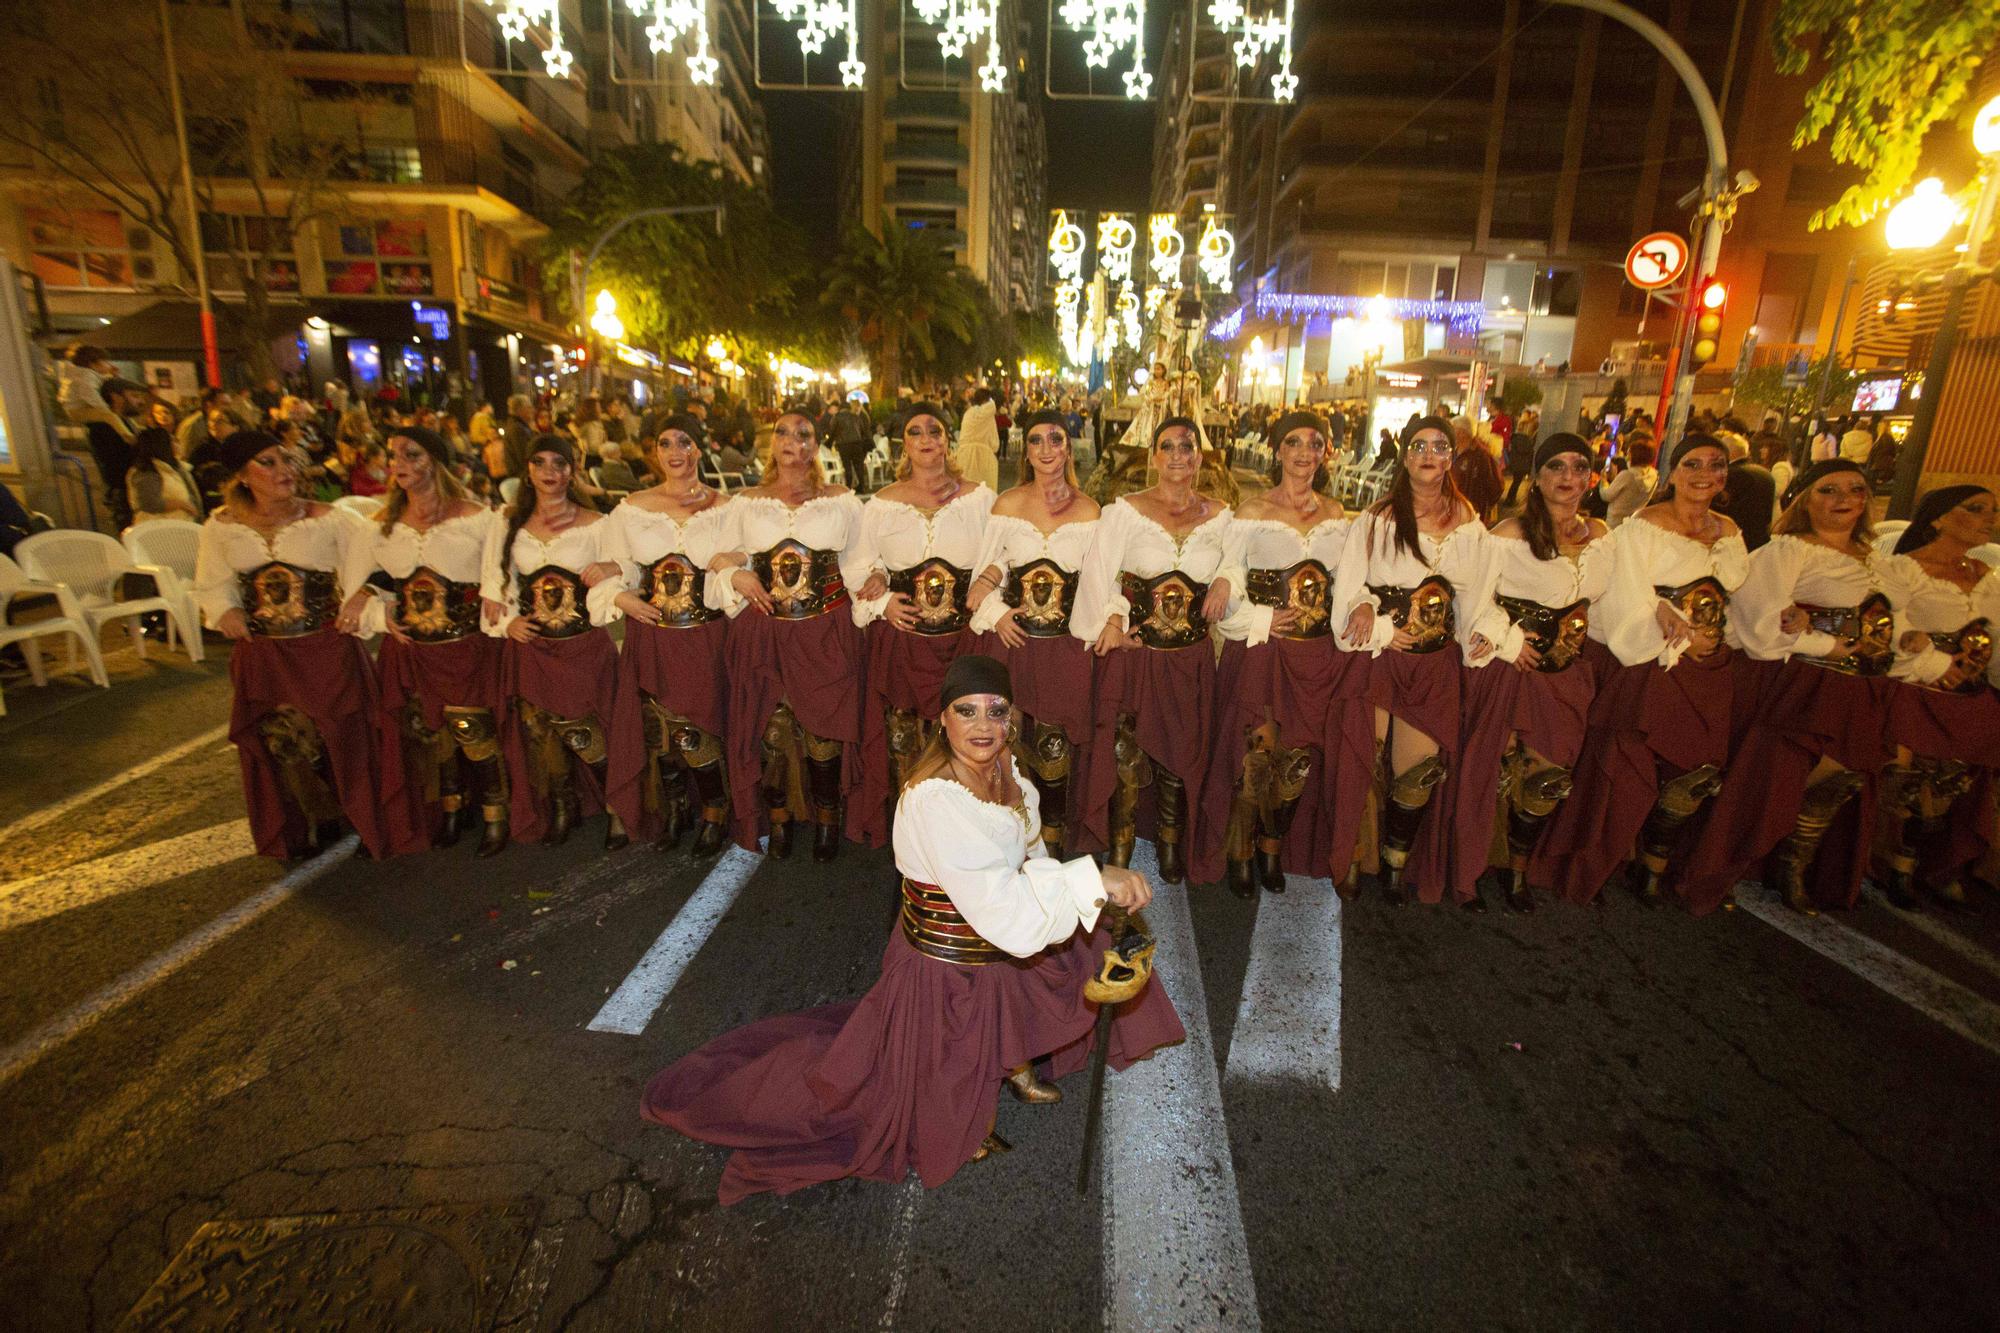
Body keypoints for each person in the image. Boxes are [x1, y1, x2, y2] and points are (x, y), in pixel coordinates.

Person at [640, 654, 1184, 1203]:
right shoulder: (936, 800)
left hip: (994, 943)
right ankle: (960, 1107)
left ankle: (1012, 1065)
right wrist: (1092, 876)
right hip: (946, 964)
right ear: (941, 720)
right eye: (965, 711)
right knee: (952, 1043)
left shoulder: (1007, 773)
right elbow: (1007, 916)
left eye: (995, 712)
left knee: (1071, 948)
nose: (982, 726)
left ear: (1012, 717)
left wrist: (1081, 884)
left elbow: (1029, 857)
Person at [1674, 459, 1912, 915]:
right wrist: (1826, 643)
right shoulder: (1788, 550)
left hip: (1859, 686)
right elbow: (1760, 622)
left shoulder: (1879, 560)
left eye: (1854, 489)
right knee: (1769, 782)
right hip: (1792, 680)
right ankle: (1725, 864)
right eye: (1828, 490)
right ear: (1804, 499)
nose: (1843, 499)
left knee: (1835, 779)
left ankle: (1794, 865)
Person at [1530, 435, 1748, 906]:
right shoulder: (1641, 528)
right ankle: (1593, 865)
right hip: (1650, 663)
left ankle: (1655, 865)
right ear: (1670, 473)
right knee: (1625, 775)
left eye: (1716, 465)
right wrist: (1668, 623)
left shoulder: (1730, 530)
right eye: (1692, 463)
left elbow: (1739, 598)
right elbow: (1626, 594)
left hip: (1710, 667)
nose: (1704, 473)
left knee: (1695, 773)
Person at [1198, 410, 1373, 897]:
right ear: (1278, 451)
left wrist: (1362, 607)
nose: (1303, 452)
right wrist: (1236, 595)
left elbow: (1351, 582)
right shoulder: (1252, 511)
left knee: (1295, 762)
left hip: (1318, 656)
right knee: (1257, 756)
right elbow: (1231, 567)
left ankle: (1273, 848)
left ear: (1324, 452)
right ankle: (1240, 851)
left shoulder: (1338, 515)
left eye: (1314, 443)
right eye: (1293, 442)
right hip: (1265, 651)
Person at [194, 430, 390, 860]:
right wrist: (224, 610)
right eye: (268, 462)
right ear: (242, 476)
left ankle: (360, 817)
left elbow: (383, 557)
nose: (284, 470)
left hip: (323, 648)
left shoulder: (331, 519)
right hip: (263, 652)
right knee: (281, 739)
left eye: (286, 460)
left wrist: (363, 594)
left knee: (340, 733)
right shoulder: (221, 526)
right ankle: (308, 822)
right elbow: (211, 583)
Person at [1452, 434, 1613, 912]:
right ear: (1537, 478)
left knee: (1546, 775)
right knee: (1491, 771)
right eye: (1556, 468)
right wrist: (1508, 641)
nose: (1569, 478)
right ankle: (1473, 869)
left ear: (1591, 475)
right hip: (1510, 669)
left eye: (1579, 467)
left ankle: (1518, 870)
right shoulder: (1508, 535)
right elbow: (1473, 600)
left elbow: (1615, 602)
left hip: (1568, 674)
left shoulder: (1601, 536)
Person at [1331, 415, 1488, 906]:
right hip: (1381, 656)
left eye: (1438, 446)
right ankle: (1355, 855)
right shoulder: (1376, 519)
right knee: (1364, 759)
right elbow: (1349, 589)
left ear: (1450, 457)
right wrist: (1372, 618)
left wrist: (1482, 634)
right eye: (1418, 445)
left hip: (1434, 664)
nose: (1428, 453)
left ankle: (1397, 863)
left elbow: (1476, 597)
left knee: (1417, 771)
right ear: (1404, 455)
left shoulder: (1470, 522)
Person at [1074, 417, 1234, 884]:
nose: (1179, 455)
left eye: (1187, 446)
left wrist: (1226, 577)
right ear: (1152, 457)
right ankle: (1121, 845)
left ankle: (1169, 841)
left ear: (1200, 456)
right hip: (1137, 656)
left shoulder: (1222, 516)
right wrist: (1112, 617)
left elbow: (1238, 564)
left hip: (1191, 658)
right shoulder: (1124, 510)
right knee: (1127, 753)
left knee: (1180, 754)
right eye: (1168, 446)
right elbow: (1099, 573)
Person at [337, 425, 507, 856]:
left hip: (467, 646)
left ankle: (495, 810)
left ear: (434, 461)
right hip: (411, 651)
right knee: (433, 735)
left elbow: (500, 578)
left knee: (473, 729)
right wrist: (378, 607)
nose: (400, 465)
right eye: (394, 457)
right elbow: (360, 590)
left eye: (412, 455)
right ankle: (452, 807)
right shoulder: (379, 526)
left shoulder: (477, 518)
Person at [712, 411, 870, 859]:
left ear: (816, 447)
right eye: (783, 432)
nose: (793, 441)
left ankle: (826, 818)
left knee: (823, 728)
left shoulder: (840, 500)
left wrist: (873, 579)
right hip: (765, 631)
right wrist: (734, 574)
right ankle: (778, 817)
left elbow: (861, 560)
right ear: (772, 443)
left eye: (804, 434)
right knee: (771, 727)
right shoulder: (745, 502)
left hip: (826, 629)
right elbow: (720, 555)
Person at [846, 404, 996, 847]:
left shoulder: (981, 498)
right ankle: (912, 833)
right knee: (904, 741)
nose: (927, 438)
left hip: (965, 643)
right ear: (904, 444)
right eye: (916, 432)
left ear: (948, 440)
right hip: (904, 644)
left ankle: (965, 832)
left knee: (967, 741)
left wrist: (987, 583)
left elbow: (1002, 556)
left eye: (935, 429)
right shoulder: (881, 504)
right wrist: (884, 602)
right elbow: (856, 569)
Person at [480, 434, 630, 849]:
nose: (550, 472)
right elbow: (495, 581)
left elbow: (619, 574)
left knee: (595, 729)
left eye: (559, 464)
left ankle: (616, 806)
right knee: (542, 731)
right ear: (527, 470)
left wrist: (613, 569)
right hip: (533, 648)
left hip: (583, 646)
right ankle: (563, 806)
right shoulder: (506, 521)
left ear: (572, 469)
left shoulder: (598, 523)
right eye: (541, 462)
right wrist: (507, 622)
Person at [599, 414, 738, 854]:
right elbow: (614, 568)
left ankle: (715, 808)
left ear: (699, 449)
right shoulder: (630, 509)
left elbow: (740, 564)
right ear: (654, 451)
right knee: (658, 729)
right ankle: (677, 805)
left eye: (685, 442)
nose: (676, 452)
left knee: (699, 724)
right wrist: (621, 599)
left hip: (706, 635)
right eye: (665, 443)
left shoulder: (726, 506)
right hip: (652, 635)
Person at [964, 408, 1101, 857]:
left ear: (1069, 446)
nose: (1047, 449)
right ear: (1027, 449)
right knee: (1007, 745)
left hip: (1066, 649)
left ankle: (1054, 847)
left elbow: (1102, 583)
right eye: (1037, 440)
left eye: (1056, 439)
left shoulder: (1090, 510)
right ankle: (1006, 843)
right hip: (1012, 645)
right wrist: (996, 611)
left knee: (1055, 747)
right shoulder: (1006, 503)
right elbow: (986, 574)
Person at [1878, 486, 1999, 909]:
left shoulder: (1987, 576)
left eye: (1994, 511)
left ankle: (1936, 862)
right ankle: (1895, 863)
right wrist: (1930, 662)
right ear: (1939, 519)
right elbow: (1889, 629)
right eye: (1976, 509)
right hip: (1915, 690)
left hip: (1968, 695)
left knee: (1953, 783)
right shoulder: (1903, 569)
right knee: (1908, 782)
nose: (1989, 518)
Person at [87, 377, 147, 531]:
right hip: (123, 495)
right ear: (115, 397)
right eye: (134, 396)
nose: (139, 402)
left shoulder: (125, 423)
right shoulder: (103, 427)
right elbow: (117, 463)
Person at [125, 425, 201, 523]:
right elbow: (149, 503)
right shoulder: (146, 472)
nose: (178, 442)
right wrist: (182, 504)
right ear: (162, 445)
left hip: (182, 524)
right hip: (160, 529)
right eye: (173, 440)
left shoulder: (177, 467)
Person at [1720, 432, 1777, 552]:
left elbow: (1723, 508)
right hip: (1760, 539)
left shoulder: (1732, 474)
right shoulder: (1764, 472)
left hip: (1737, 540)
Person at [1598, 435, 1657, 529]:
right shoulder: (1654, 475)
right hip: (1633, 522)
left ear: (1636, 455)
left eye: (1629, 452)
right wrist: (1615, 479)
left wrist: (1604, 479)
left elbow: (1606, 496)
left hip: (1615, 522)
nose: (1627, 453)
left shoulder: (1627, 475)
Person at [954, 388, 1002, 492]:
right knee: (985, 496)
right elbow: (992, 405)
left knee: (966, 495)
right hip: (983, 457)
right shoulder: (987, 411)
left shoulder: (968, 413)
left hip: (964, 456)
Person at [56, 344, 115, 427]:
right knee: (110, 416)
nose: (109, 364)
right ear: (92, 364)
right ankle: (128, 436)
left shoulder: (82, 374)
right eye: (105, 361)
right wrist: (104, 408)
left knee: (111, 414)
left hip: (74, 410)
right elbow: (89, 393)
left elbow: (98, 380)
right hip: (77, 410)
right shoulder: (87, 375)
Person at [829, 396, 872, 491]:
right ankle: (862, 486)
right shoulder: (855, 416)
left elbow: (832, 431)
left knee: (847, 465)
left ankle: (848, 486)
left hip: (844, 444)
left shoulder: (837, 417)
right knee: (858, 465)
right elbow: (862, 430)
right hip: (857, 443)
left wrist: (829, 443)